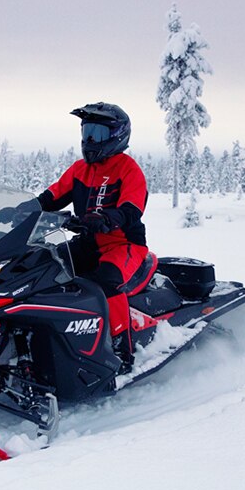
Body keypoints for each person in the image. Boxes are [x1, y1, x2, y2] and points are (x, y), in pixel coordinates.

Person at [36, 103, 149, 369]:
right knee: (42, 266)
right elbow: (52, 197)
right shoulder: (79, 169)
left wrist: (108, 219)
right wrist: (22, 210)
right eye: (87, 132)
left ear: (117, 136)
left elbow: (132, 208)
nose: (89, 141)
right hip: (87, 242)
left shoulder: (128, 169)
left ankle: (122, 351)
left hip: (123, 244)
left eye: (97, 134)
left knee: (105, 283)